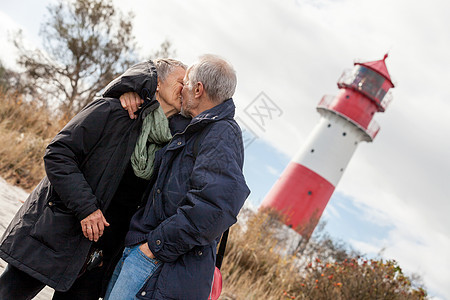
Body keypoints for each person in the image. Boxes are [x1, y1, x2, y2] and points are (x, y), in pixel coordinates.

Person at [0, 58, 187, 300]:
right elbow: (58, 154)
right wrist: (87, 208)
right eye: (180, 81)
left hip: (100, 256)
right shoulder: (113, 111)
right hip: (58, 231)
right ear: (158, 84)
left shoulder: (170, 143)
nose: (185, 88)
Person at [105, 54, 250, 300]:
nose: (181, 89)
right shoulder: (191, 126)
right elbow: (156, 89)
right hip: (144, 251)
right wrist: (129, 92)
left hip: (158, 260)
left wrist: (154, 247)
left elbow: (216, 207)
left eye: (186, 83)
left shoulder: (221, 133)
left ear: (198, 88)